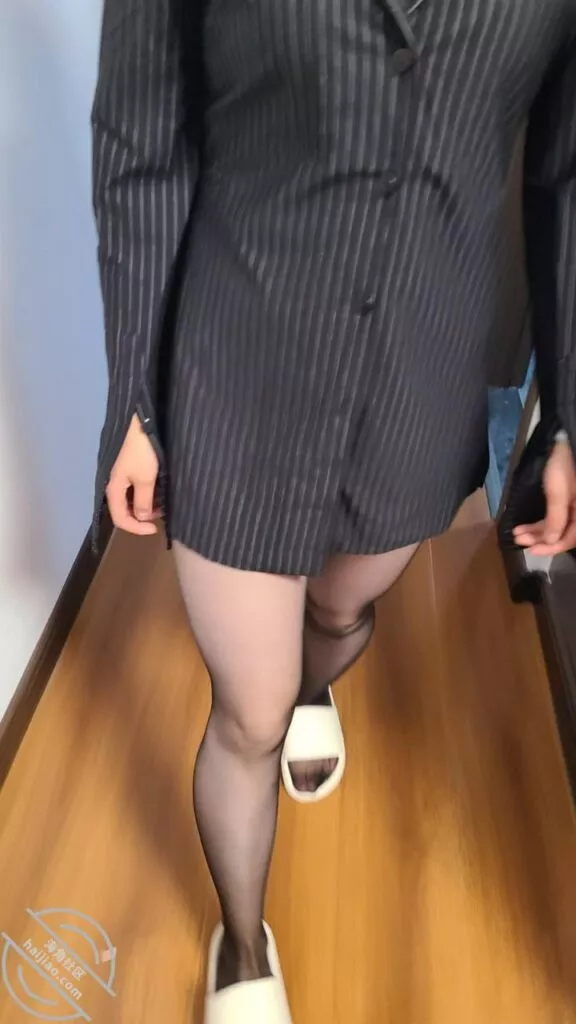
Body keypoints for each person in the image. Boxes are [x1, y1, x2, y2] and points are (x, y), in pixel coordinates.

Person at [91, 1, 576, 1019]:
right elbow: (142, 140)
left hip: (423, 374)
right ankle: (241, 941)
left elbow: (565, 179)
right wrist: (133, 394)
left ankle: (317, 679)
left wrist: (568, 415)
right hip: (240, 356)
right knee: (250, 711)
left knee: (345, 607)